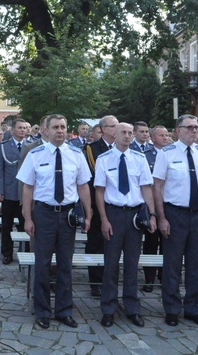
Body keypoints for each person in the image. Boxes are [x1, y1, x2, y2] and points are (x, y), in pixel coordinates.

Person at [18, 114, 92, 329]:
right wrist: (27, 218)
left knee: (65, 265)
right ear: (46, 131)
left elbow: (83, 186)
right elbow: (28, 188)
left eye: (63, 126)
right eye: (56, 127)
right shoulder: (35, 154)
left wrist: (88, 214)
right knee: (42, 264)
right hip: (44, 214)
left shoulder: (76, 155)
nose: (60, 130)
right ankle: (42, 311)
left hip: (68, 215)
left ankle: (64, 310)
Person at [152, 114, 198, 328]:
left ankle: (193, 308)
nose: (194, 131)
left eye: (196, 127)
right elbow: (158, 187)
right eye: (190, 127)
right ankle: (172, 309)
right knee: (172, 264)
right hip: (175, 214)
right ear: (178, 130)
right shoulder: (167, 154)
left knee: (196, 265)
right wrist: (161, 217)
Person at [94, 122, 155, 328]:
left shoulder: (139, 159)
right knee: (111, 264)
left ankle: (132, 308)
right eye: (123, 133)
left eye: (130, 133)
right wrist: (103, 219)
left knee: (131, 264)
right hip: (113, 214)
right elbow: (100, 191)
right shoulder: (104, 159)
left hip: (135, 216)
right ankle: (108, 309)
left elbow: (146, 188)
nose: (127, 136)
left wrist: (152, 214)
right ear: (114, 134)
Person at [82, 115, 119, 297]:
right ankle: (95, 280)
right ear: (103, 129)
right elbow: (91, 179)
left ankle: (110, 278)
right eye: (113, 126)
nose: (116, 130)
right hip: (98, 204)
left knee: (115, 243)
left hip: (118, 203)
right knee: (95, 243)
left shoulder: (124, 149)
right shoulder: (92, 149)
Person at [0, 118, 27, 265]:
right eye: (20, 128)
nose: (23, 130)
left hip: (26, 193)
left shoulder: (31, 146)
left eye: (25, 128)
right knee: (6, 225)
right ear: (12, 130)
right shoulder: (3, 146)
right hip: (9, 191)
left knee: (25, 223)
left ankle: (25, 252)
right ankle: (7, 253)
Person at [142, 125, 170, 292]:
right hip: (151, 204)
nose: (165, 138)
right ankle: (149, 278)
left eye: (167, 135)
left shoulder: (172, 155)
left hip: (169, 203)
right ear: (152, 138)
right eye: (161, 135)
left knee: (168, 243)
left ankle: (164, 275)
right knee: (151, 244)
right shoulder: (146, 156)